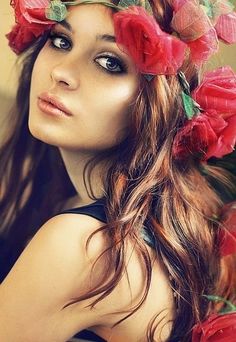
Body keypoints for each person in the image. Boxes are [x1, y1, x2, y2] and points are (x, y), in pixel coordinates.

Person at [0, 0, 236, 341]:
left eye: (109, 63)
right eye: (61, 41)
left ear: (159, 102)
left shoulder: (83, 245)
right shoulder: (148, 220)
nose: (61, 72)